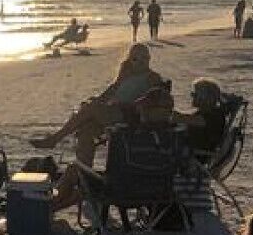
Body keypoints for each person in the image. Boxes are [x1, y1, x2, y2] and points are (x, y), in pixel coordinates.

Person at [30, 43, 163, 166]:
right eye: (135, 59)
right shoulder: (125, 76)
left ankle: (55, 139)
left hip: (129, 115)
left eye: (144, 58)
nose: (140, 62)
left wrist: (123, 104)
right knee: (86, 130)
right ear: (130, 60)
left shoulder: (152, 77)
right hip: (113, 114)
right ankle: (83, 171)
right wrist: (116, 83)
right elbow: (105, 97)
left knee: (91, 108)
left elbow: (155, 100)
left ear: (149, 59)